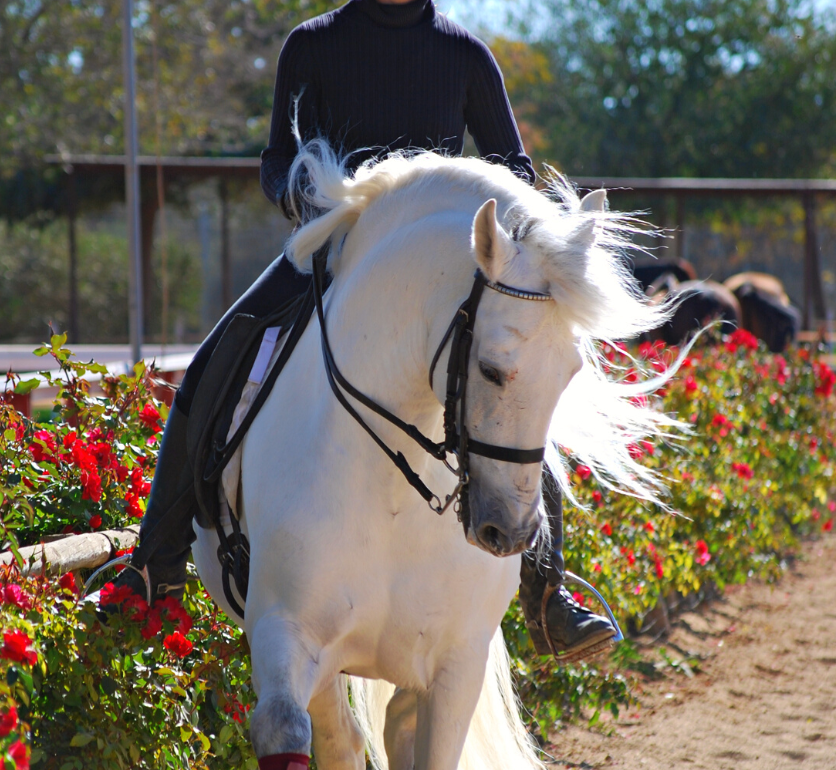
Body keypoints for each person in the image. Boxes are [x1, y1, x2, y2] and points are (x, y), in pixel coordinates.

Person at [113, 0, 617, 662]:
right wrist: (309, 198)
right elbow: (276, 160)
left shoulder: (466, 55)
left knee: (518, 377)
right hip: (335, 250)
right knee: (216, 354)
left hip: (444, 278)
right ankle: (157, 563)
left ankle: (546, 595)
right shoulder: (311, 44)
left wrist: (489, 212)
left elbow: (512, 169)